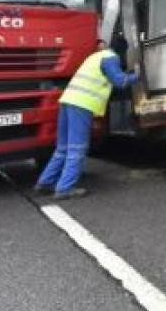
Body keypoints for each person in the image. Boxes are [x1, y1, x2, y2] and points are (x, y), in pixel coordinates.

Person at [35, 39, 138, 199]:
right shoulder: (111, 58)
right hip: (81, 105)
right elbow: (120, 81)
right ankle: (65, 188)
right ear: (122, 52)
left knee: (63, 148)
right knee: (77, 148)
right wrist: (138, 75)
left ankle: (45, 182)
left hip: (67, 102)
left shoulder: (95, 57)